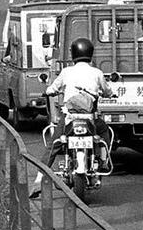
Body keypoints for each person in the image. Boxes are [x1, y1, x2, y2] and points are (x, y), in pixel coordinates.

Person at [30, 37, 114, 197]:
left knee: (53, 145)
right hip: (90, 117)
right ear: (90, 53)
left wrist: (49, 91)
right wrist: (110, 93)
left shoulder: (67, 72)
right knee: (104, 133)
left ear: (74, 53)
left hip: (69, 116)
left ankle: (38, 180)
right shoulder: (97, 73)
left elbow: (52, 88)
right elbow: (107, 90)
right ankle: (103, 160)